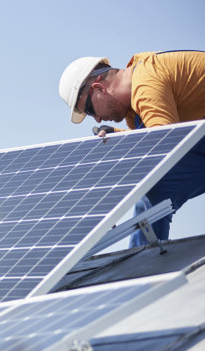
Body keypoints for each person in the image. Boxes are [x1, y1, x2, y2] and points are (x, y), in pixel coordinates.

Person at [59, 51, 205, 247]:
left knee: (155, 188)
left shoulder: (146, 81)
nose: (98, 119)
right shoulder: (133, 107)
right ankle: (147, 262)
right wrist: (118, 139)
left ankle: (146, 264)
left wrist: (108, 203)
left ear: (98, 88)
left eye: (90, 110)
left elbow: (164, 147)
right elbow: (149, 142)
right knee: (156, 192)